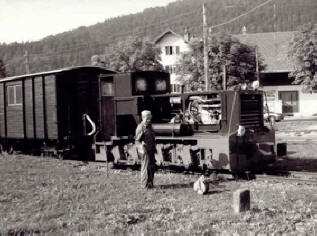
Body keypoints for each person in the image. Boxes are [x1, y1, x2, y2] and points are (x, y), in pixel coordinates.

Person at [135, 110, 156, 189]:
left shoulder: (150, 126)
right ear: (143, 118)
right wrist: (142, 147)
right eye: (147, 118)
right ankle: (144, 185)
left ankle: (150, 183)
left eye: (150, 118)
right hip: (145, 150)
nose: (149, 120)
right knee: (145, 167)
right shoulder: (140, 127)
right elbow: (137, 141)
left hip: (151, 149)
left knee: (152, 167)